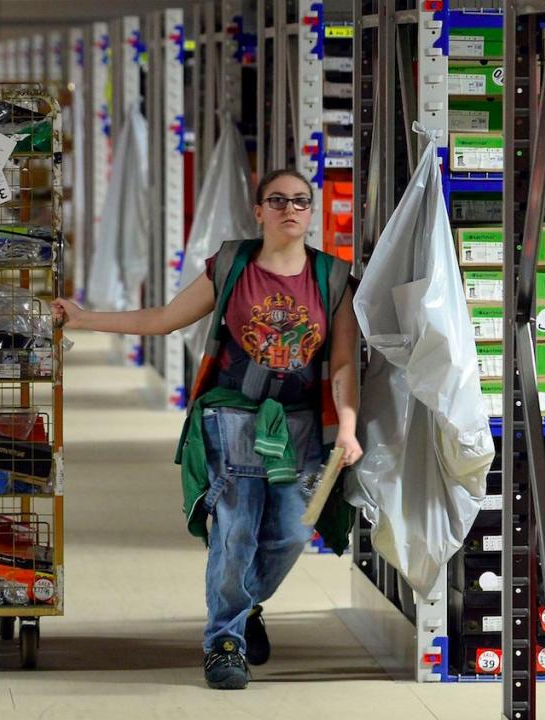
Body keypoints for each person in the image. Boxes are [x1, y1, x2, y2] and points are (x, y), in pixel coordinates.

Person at [52, 169, 363, 690]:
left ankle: (244, 606)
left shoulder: (333, 279)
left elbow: (344, 364)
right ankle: (224, 642)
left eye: (302, 202)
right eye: (278, 200)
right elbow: (165, 319)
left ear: (312, 212)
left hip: (300, 425)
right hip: (232, 414)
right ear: (259, 210)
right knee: (236, 530)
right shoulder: (231, 266)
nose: (292, 209)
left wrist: (348, 426)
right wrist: (85, 319)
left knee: (289, 533)